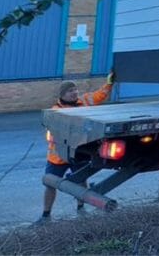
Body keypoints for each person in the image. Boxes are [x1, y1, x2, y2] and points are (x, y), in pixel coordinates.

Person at [40, 72, 114, 222]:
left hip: (79, 153)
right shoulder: (56, 111)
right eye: (70, 91)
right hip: (58, 157)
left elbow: (100, 95)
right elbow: (52, 135)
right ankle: (46, 215)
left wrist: (109, 83)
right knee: (50, 184)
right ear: (63, 95)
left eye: (75, 90)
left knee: (81, 180)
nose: (74, 93)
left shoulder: (84, 101)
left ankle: (81, 208)